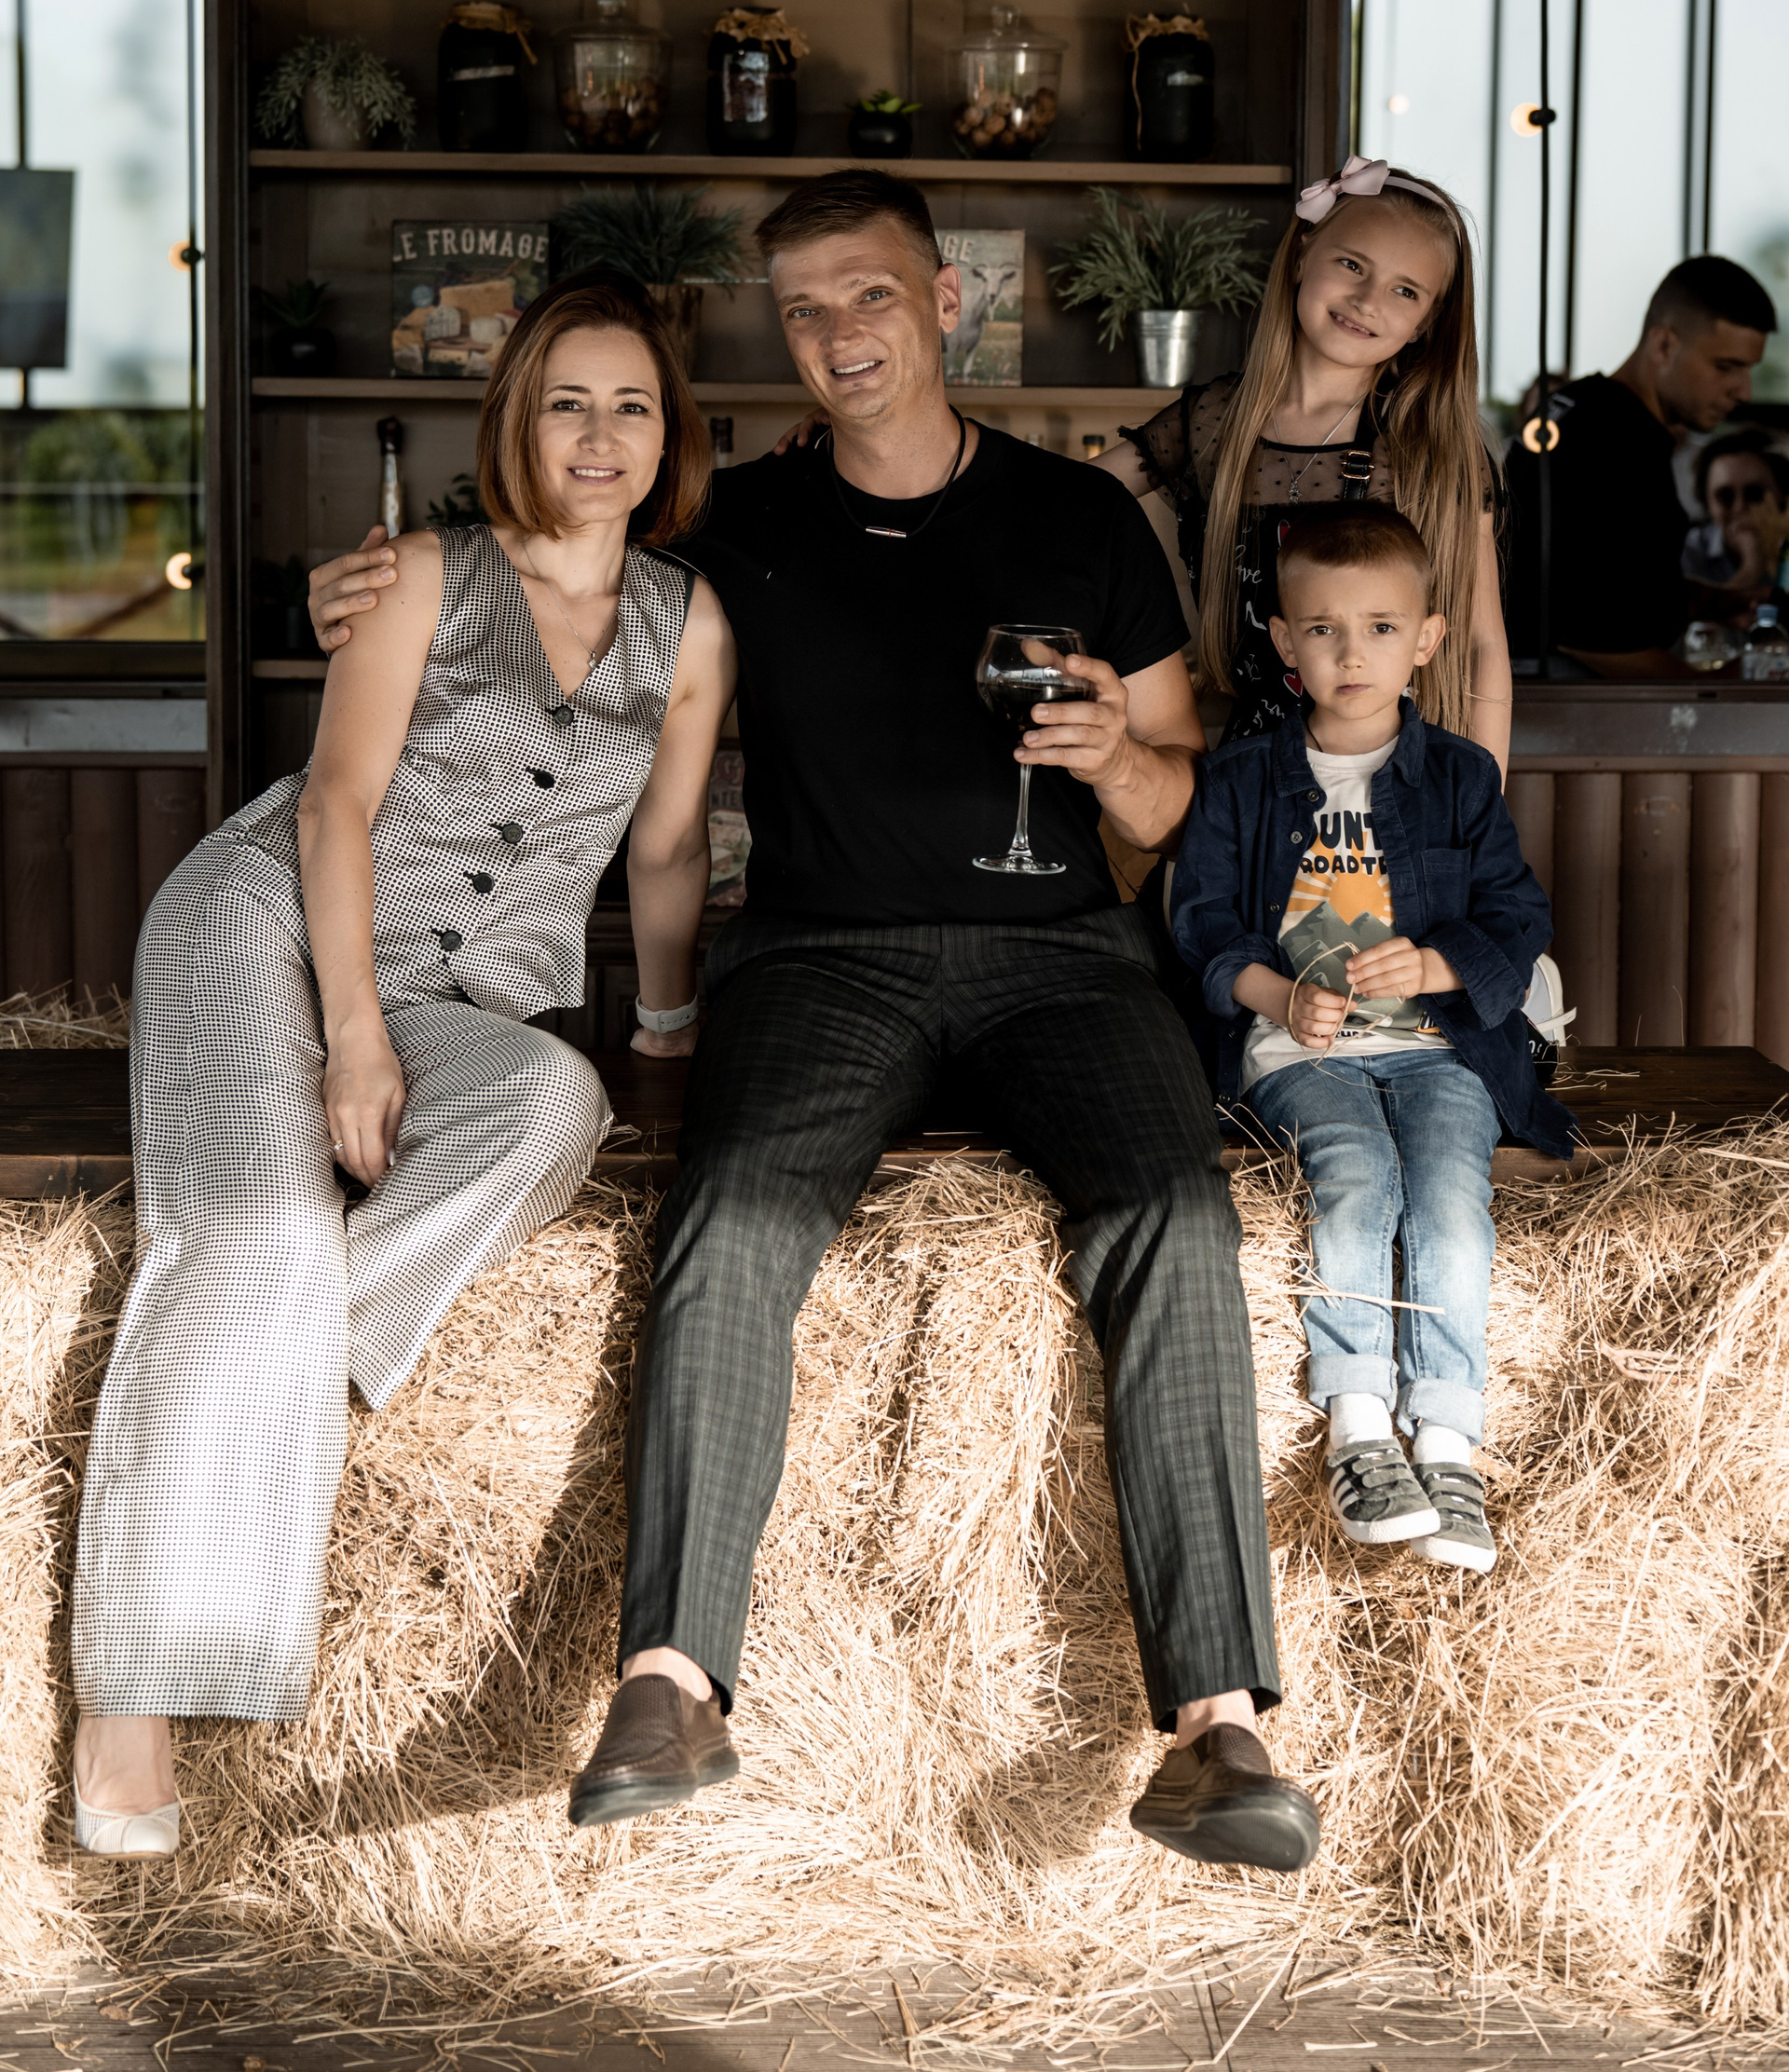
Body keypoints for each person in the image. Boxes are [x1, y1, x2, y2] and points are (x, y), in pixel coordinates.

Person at [310, 166, 1323, 1877]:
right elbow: (551, 574)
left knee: (1174, 1214)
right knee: (728, 1223)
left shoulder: (1082, 520)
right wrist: (372, 594)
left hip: (1067, 954)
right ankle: (669, 1682)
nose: (839, 332)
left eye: (870, 294)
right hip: (818, 958)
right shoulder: (738, 532)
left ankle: (1217, 1724)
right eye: (802, 308)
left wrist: (1114, 762)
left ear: (945, 301)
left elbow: (1176, 809)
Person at [69, 277, 733, 1859]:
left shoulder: (691, 622)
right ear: (516, 421)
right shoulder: (427, 575)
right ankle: (131, 1697)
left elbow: (664, 853)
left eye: (631, 406)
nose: (599, 435)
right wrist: (354, 1034)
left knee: (556, 1104)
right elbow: (334, 806)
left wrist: (665, 1029)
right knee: (254, 1233)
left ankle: (277, 1371)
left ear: (670, 437)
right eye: (566, 402)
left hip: (474, 997)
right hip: (271, 927)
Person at [1171, 502, 1571, 1581]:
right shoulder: (1241, 780)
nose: (1353, 655)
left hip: (1441, 1047)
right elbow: (1202, 926)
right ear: (1284, 642)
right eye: (1324, 630)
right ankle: (1358, 1425)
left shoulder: (1459, 780)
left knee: (1447, 1197)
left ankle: (1445, 1442)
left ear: (1428, 639)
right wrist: (1277, 994)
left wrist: (1437, 967)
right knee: (1354, 1179)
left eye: (1382, 629)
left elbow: (1518, 916)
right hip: (1302, 1055)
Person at [1093, 157, 1511, 775]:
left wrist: (1484, 806)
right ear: (1301, 256)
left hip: (1401, 781)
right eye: (1352, 265)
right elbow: (1068, 498)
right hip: (1250, 776)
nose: (1367, 301)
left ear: (1427, 323)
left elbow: (1481, 645)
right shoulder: (1213, 420)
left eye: (1405, 291)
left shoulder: (1435, 449)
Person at [1504, 254, 1777, 675]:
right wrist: (1728, 688)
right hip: (1559, 699)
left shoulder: (1579, 409)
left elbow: (1601, 584)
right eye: (1726, 367)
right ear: (1664, 345)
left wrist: (1706, 600)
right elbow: (1595, 634)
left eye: (1749, 369)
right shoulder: (1615, 441)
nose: (1743, 391)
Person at [1681, 427, 1789, 610]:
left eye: (1755, 494)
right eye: (1725, 496)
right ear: (1708, 505)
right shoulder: (1687, 552)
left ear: (1782, 496)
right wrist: (1751, 567)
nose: (1739, 508)